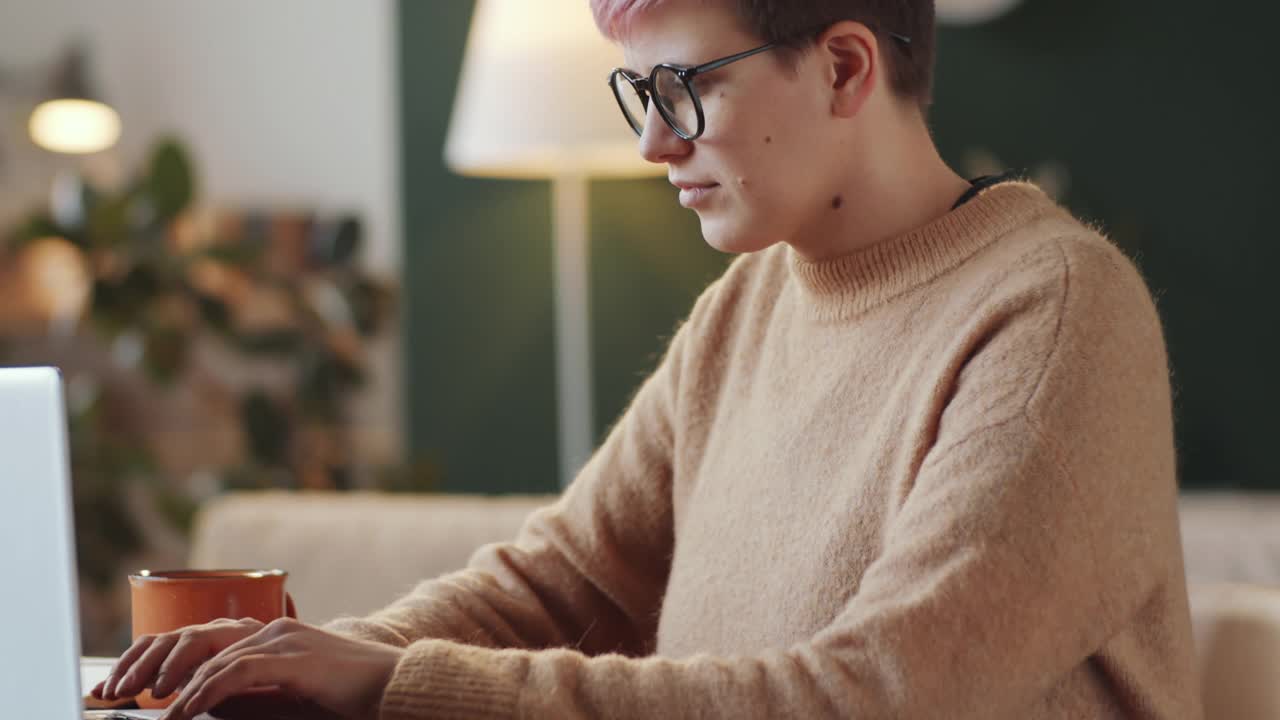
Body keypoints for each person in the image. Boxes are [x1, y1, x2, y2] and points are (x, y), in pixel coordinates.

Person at [93, 1, 1204, 718]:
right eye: (635, 95)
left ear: (843, 69)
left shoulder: (1053, 309)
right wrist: (316, 657)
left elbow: (883, 696)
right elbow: (561, 580)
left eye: (681, 89)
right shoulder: (744, 308)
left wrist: (394, 684)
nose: (649, 144)